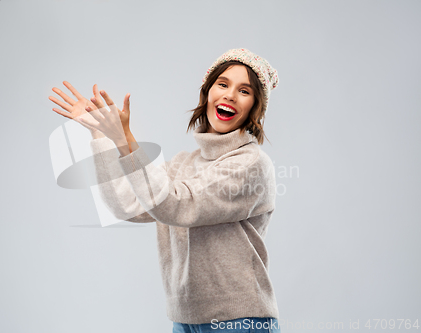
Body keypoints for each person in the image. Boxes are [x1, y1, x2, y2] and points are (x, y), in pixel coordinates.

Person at [49, 48, 282, 333]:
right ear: (207, 94)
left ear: (255, 108)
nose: (230, 95)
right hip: (184, 320)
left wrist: (125, 140)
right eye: (222, 84)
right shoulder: (185, 163)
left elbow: (174, 205)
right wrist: (101, 136)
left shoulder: (251, 164)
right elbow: (128, 206)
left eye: (244, 91)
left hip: (238, 321)